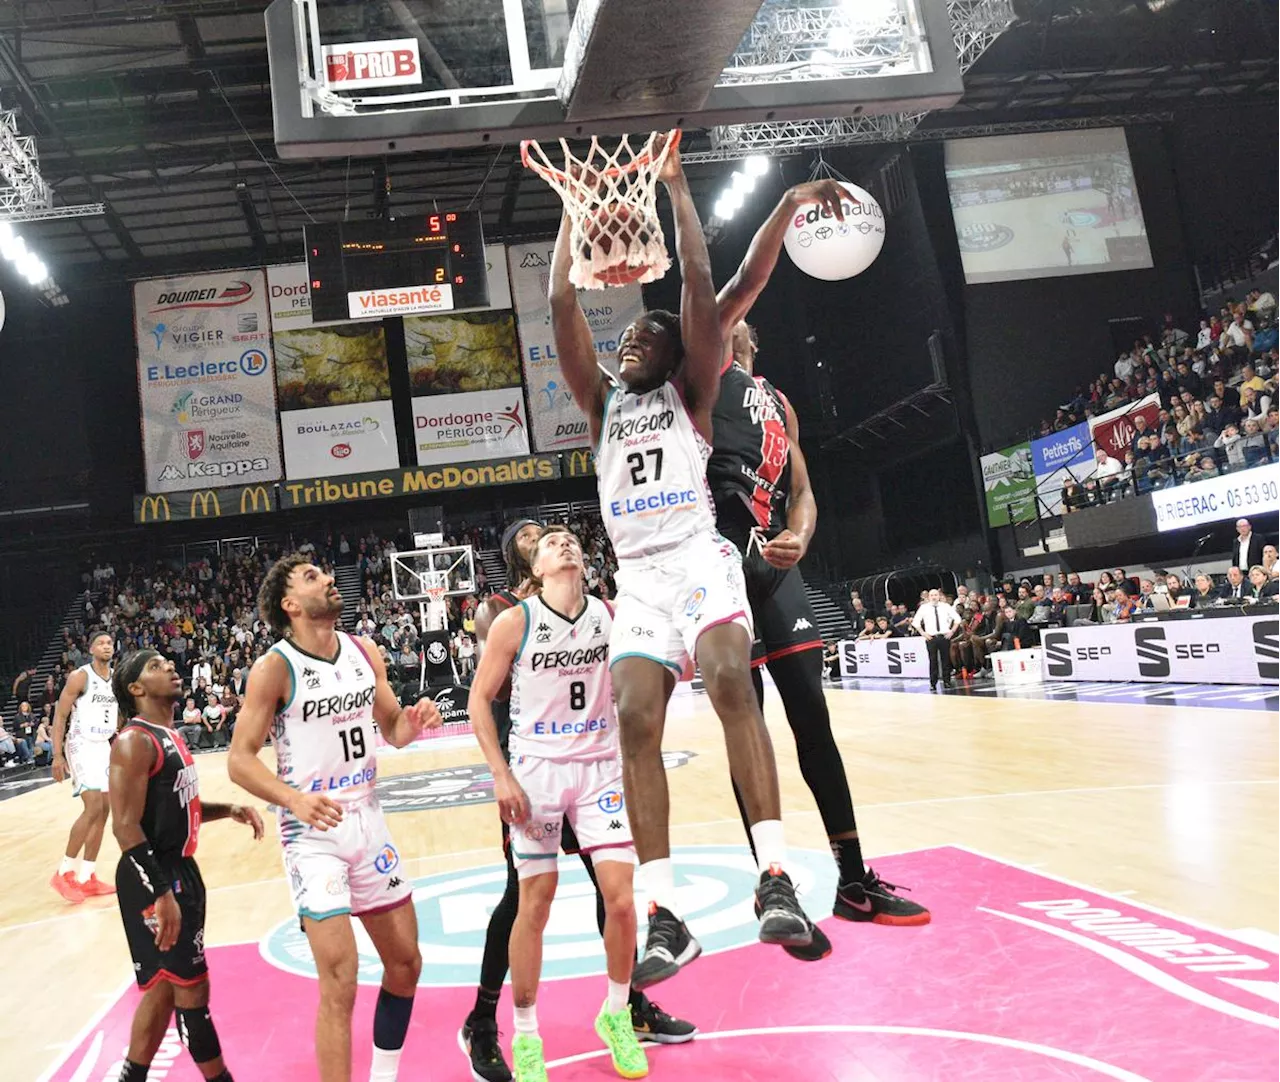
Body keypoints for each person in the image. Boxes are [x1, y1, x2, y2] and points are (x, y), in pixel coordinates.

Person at [548, 136, 814, 985]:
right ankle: (663, 913)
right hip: (640, 581)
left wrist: (677, 190)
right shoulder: (600, 404)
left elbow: (704, 288)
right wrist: (570, 212)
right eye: (624, 338)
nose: (629, 342)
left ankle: (773, 876)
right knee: (632, 720)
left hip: (699, 556)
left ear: (676, 352)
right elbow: (561, 305)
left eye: (644, 335)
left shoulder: (692, 392)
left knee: (732, 681)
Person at [458, 519, 694, 1082]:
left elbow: (665, 669)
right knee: (530, 903)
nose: (562, 542)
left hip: (599, 770)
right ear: (534, 569)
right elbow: (477, 701)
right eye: (547, 543)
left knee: (618, 899)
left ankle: (618, 1014)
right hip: (536, 772)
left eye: (569, 539)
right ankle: (524, 1035)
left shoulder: (612, 614)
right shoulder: (513, 620)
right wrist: (501, 775)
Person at [228, 555, 443, 1082]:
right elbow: (239, 758)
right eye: (311, 577)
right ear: (290, 604)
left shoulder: (363, 650)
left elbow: (391, 726)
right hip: (312, 832)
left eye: (324, 572)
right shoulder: (274, 667)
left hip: (368, 819)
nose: (327, 578)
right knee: (341, 978)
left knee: (406, 965)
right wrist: (293, 799)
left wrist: (412, 721)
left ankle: (384, 1075)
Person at [107, 648, 264, 1082]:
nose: (171, 666)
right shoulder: (134, 741)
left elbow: (178, 807)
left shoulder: (168, 733)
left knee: (162, 988)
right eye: (156, 666)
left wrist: (225, 808)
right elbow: (124, 827)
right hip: (154, 877)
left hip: (178, 870)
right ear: (136, 689)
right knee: (192, 991)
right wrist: (161, 893)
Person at [50, 629, 118, 902]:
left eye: (109, 643)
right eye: (100, 643)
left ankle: (87, 876)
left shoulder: (115, 679)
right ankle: (64, 872)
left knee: (104, 811)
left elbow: (118, 716)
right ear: (91, 649)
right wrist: (57, 754)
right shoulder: (81, 676)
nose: (106, 646)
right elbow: (61, 714)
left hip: (103, 745)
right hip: (80, 742)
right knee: (92, 808)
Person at [911, 591, 961, 691]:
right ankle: (933, 683)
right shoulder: (924, 608)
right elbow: (915, 622)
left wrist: (952, 631)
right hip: (931, 637)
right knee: (933, 660)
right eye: (932, 595)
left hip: (944, 636)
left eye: (936, 595)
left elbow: (957, 619)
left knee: (946, 660)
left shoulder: (945, 606)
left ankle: (947, 681)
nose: (934, 597)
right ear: (929, 597)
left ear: (939, 596)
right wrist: (923, 633)